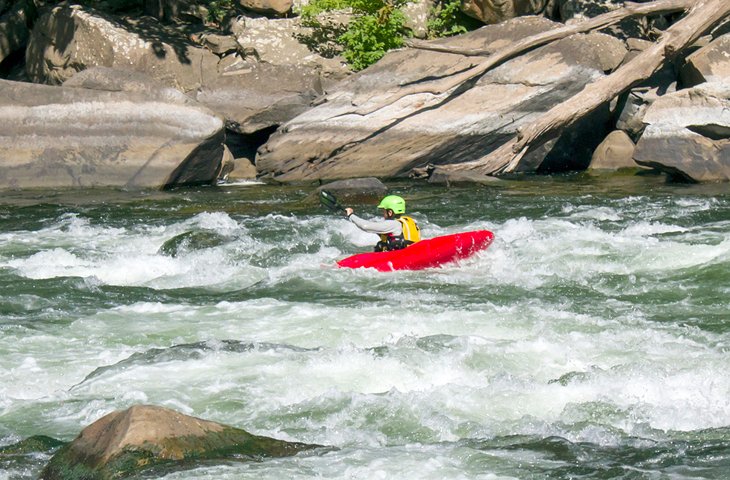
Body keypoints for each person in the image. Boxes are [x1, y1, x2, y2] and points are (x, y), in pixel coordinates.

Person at [344, 195, 421, 252]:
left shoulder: (393, 224)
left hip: (398, 258)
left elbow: (365, 226)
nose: (383, 214)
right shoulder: (409, 221)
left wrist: (351, 215)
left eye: (384, 211)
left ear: (390, 212)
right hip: (411, 253)